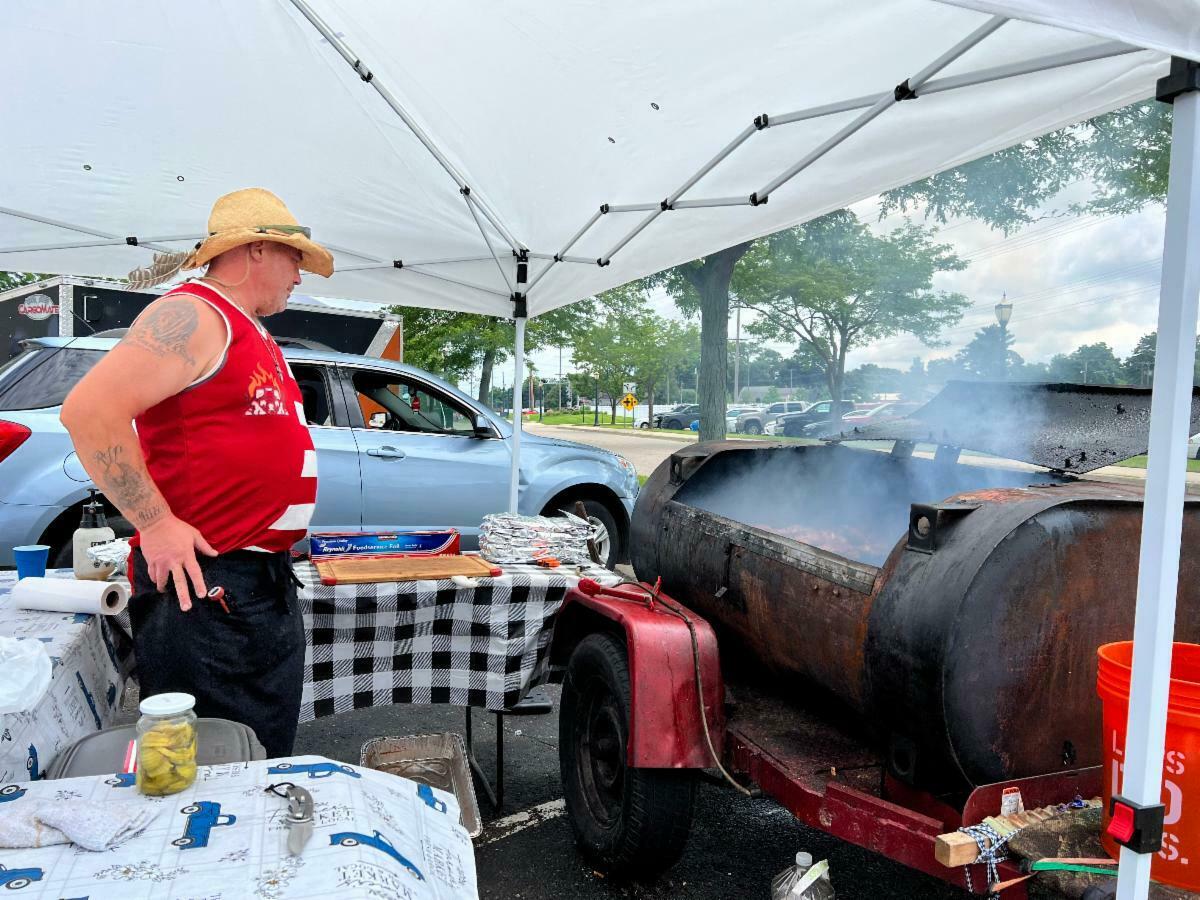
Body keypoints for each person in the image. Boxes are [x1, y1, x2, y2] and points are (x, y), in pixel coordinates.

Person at [60, 188, 334, 756]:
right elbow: (89, 413)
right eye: (294, 258)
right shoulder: (193, 313)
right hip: (208, 587)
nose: (300, 277)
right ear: (257, 249)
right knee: (217, 763)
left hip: (253, 583)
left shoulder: (246, 327)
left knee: (255, 754)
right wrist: (156, 524)